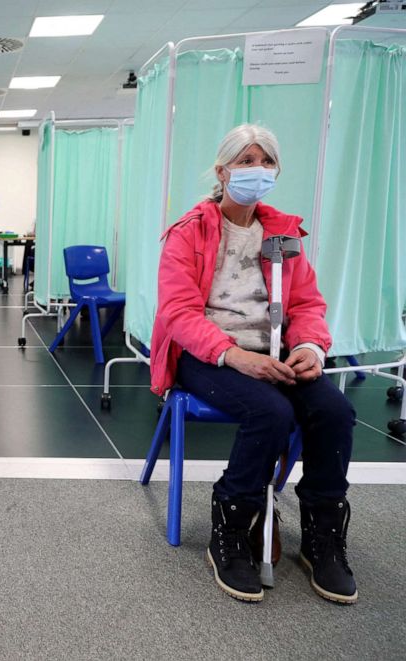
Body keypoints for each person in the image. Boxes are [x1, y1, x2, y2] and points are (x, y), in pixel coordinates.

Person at [150, 124, 357, 604]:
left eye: (266, 162)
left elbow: (307, 304)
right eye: (246, 161)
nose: (257, 171)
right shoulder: (189, 232)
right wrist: (235, 356)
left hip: (276, 350)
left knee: (335, 412)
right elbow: (178, 313)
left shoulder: (284, 234)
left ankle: (323, 532)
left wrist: (309, 348)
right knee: (270, 412)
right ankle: (233, 521)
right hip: (209, 353)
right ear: (222, 171)